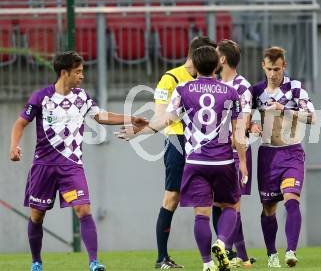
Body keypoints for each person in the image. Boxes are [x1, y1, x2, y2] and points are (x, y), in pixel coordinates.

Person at [9, 51, 147, 271]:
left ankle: (94, 262)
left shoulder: (82, 97)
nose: (82, 76)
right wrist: (14, 146)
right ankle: (36, 262)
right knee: (37, 216)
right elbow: (19, 123)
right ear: (65, 73)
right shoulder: (41, 97)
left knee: (84, 210)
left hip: (71, 166)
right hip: (43, 167)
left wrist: (131, 118)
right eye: (78, 72)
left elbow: (101, 116)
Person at [118, 46, 248, 271]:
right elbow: (238, 134)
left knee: (201, 214)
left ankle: (207, 262)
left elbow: (165, 121)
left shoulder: (183, 89)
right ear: (217, 65)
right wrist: (243, 163)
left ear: (195, 66)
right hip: (223, 161)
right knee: (229, 206)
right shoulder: (230, 92)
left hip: (195, 161)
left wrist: (138, 132)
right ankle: (222, 242)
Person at [152, 36, 217, 269]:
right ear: (198, 55)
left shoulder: (210, 79)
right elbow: (160, 116)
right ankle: (162, 258)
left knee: (215, 197)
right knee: (172, 197)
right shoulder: (170, 78)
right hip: (178, 140)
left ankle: (223, 254)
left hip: (204, 141)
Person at [250, 47, 315, 268]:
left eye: (277, 69)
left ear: (284, 66)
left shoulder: (295, 88)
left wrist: (283, 109)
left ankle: (291, 251)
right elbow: (242, 117)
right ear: (263, 66)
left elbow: (311, 118)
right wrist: (251, 125)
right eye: (269, 69)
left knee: (292, 200)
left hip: (291, 153)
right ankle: (271, 254)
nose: (273, 74)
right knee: (269, 208)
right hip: (268, 154)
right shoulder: (256, 91)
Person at [213, 39, 254, 268]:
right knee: (222, 204)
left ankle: (234, 254)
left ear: (222, 59)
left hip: (236, 150)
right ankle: (240, 256)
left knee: (233, 204)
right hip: (217, 153)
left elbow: (245, 118)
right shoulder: (217, 85)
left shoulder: (241, 86)